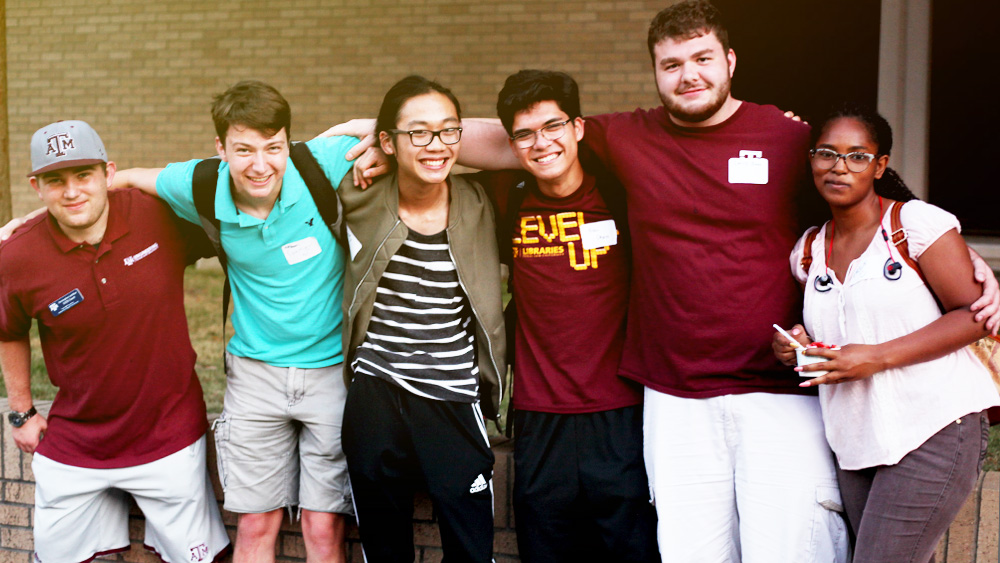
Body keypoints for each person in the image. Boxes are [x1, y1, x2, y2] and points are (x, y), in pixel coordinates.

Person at [329, 2, 1000, 561]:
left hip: (774, 391)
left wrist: (956, 253)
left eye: (701, 58)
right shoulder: (629, 138)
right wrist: (380, 131)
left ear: (729, 61)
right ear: (655, 72)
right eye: (672, 64)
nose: (688, 75)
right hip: (673, 398)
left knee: (789, 547)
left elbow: (857, 178)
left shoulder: (782, 135)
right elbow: (508, 140)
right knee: (687, 551)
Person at [110, 81, 359, 563]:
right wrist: (18, 228)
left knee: (323, 526)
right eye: (244, 149)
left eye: (273, 147)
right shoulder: (199, 184)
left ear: (289, 142)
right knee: (255, 523)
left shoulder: (322, 163)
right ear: (221, 148)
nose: (261, 164)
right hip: (254, 376)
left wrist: (358, 128)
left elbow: (415, 140)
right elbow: (122, 180)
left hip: (332, 372)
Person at [773, 104, 1000, 563]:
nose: (840, 166)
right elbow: (832, 328)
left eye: (857, 156)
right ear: (811, 161)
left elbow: (975, 316)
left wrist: (876, 356)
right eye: (826, 153)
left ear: (879, 166)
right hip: (855, 441)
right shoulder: (808, 251)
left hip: (934, 428)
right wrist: (794, 344)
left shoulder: (914, 225)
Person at [0, 120, 229, 562]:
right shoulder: (18, 255)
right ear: (36, 187)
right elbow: (9, 330)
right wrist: (21, 410)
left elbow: (239, 185)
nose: (72, 192)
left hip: (169, 435)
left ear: (108, 173)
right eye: (55, 180)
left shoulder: (158, 214)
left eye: (83, 175)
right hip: (76, 441)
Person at [479, 69, 657, 562]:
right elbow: (433, 162)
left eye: (553, 126)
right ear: (511, 145)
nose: (542, 143)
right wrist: (379, 143)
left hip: (620, 413)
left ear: (578, 127)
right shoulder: (507, 196)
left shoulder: (622, 195)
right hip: (539, 417)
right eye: (525, 134)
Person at [337, 75, 506, 563]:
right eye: (419, 132)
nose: (437, 145)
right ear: (388, 141)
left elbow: (522, 141)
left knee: (471, 551)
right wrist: (371, 136)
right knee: (384, 549)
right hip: (375, 392)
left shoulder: (482, 200)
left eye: (449, 130)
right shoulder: (357, 193)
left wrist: (394, 133)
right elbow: (285, 155)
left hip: (451, 395)